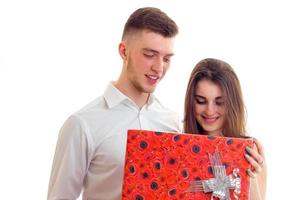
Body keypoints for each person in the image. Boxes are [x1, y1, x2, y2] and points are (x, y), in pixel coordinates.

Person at [47, 7, 180, 200]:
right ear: (124, 51)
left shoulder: (173, 123)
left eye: (166, 58)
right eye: (150, 55)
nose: (159, 68)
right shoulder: (82, 124)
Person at [183, 58, 267, 199]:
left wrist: (250, 179)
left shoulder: (251, 151)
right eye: (201, 101)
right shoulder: (179, 145)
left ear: (232, 104)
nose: (210, 111)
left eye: (219, 102)